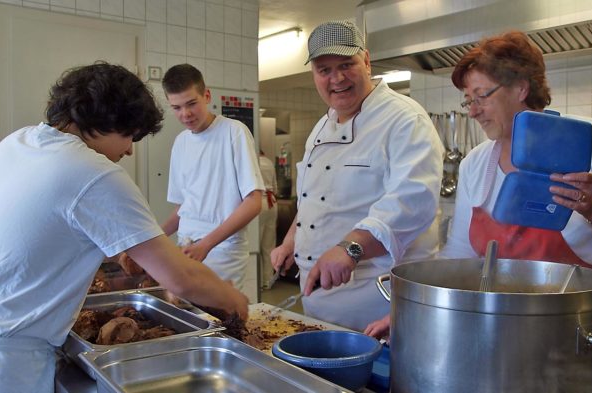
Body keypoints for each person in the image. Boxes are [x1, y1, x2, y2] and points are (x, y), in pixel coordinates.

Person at [0, 62, 249, 393]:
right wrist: (233, 300)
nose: (129, 150)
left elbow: (45, 233)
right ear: (107, 123)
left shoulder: (19, 142)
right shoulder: (92, 170)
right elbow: (182, 279)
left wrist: (130, 249)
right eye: (130, 136)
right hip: (9, 364)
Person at [433, 31, 592, 392]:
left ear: (521, 88)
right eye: (468, 101)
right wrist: (411, 307)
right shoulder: (476, 165)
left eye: (481, 96)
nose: (474, 110)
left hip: (588, 338)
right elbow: (461, 255)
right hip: (510, 340)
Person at [270, 20, 444, 331]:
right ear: (314, 75)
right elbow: (312, 201)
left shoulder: (404, 119)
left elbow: (412, 202)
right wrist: (290, 242)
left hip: (373, 303)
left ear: (366, 60)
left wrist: (350, 249)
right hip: (318, 297)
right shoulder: (321, 128)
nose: (336, 78)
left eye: (346, 64)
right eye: (324, 70)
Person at [160, 64, 264, 290]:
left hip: (222, 251)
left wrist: (206, 244)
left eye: (191, 104)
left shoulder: (233, 132)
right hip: (187, 247)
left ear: (206, 96)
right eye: (176, 107)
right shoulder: (181, 143)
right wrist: (154, 240)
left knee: (220, 318)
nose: (185, 114)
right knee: (191, 317)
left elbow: (254, 202)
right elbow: (185, 206)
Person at [258, 150, 278, 289]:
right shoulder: (269, 162)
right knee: (269, 244)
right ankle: (268, 280)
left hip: (258, 203)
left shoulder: (254, 162)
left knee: (256, 244)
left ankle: (258, 281)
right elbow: (275, 187)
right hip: (272, 202)